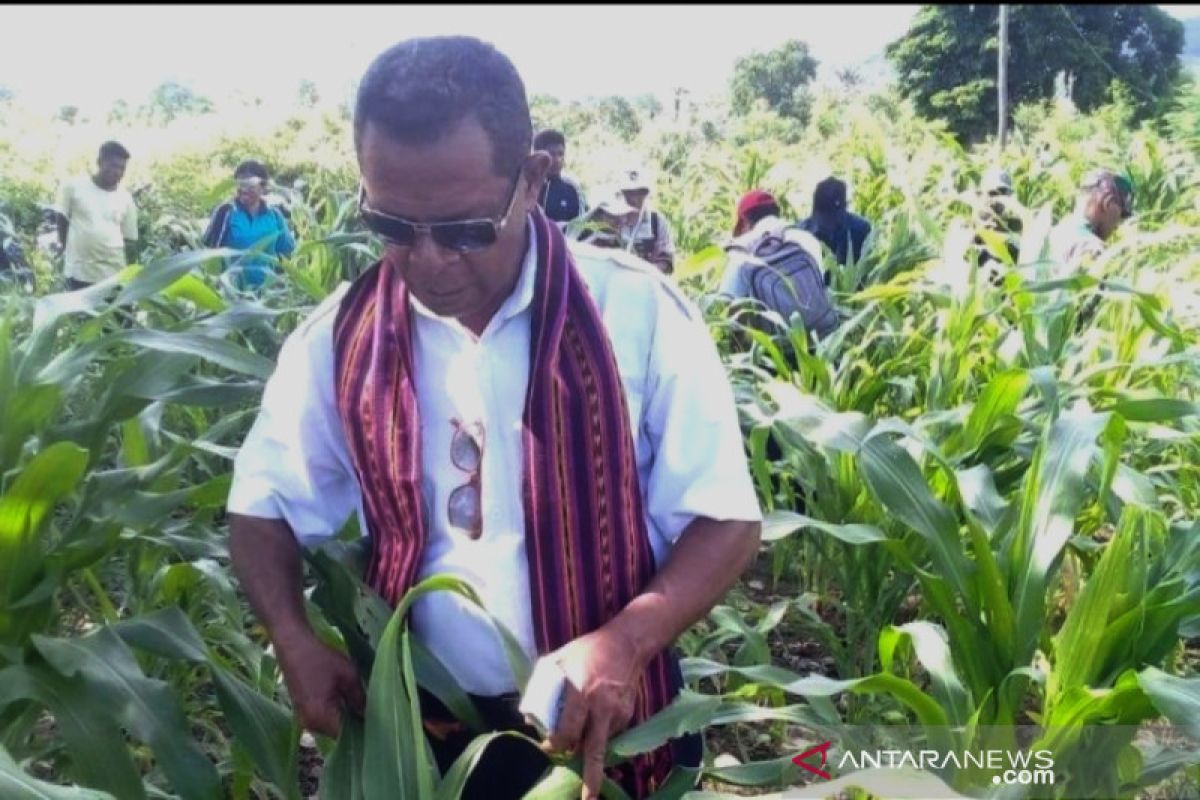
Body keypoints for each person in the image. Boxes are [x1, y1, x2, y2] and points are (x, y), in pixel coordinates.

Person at [225, 35, 761, 800]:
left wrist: (626, 639)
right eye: (393, 228)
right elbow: (261, 507)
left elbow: (726, 520)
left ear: (534, 179)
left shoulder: (634, 316)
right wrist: (292, 638)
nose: (429, 261)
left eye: (465, 230)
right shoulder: (338, 339)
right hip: (424, 732)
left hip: (608, 726)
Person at [718, 189, 836, 341]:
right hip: (821, 338)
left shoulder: (742, 251)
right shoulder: (807, 239)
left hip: (776, 351)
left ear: (745, 222)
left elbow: (729, 305)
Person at [51, 141, 139, 291]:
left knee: (117, 314)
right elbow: (62, 220)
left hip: (115, 274)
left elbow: (130, 240)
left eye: (121, 168)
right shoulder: (73, 187)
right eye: (112, 165)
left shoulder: (125, 198)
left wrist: (131, 278)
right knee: (81, 315)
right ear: (99, 162)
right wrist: (66, 250)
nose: (117, 171)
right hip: (80, 273)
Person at [202, 160, 296, 291]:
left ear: (262, 187)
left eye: (250, 185)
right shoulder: (226, 212)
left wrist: (283, 284)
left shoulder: (274, 215)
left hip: (268, 293)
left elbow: (286, 251)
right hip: (232, 292)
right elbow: (210, 255)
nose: (243, 190)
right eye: (240, 185)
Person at [1048, 169, 1133, 274]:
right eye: (1121, 215)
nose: (1118, 225)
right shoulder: (1093, 250)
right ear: (1107, 202)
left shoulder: (1048, 236)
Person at [799, 176, 872, 268]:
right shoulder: (802, 234)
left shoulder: (860, 230)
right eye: (824, 215)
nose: (826, 224)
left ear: (844, 208)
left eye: (831, 216)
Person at [616, 169, 675, 275]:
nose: (634, 199)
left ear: (646, 193)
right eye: (630, 193)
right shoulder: (613, 218)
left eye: (640, 193)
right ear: (622, 193)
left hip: (648, 283)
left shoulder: (656, 222)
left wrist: (643, 273)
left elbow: (666, 261)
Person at [973, 166, 1022, 284]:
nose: (996, 199)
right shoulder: (970, 231)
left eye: (1003, 193)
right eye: (992, 193)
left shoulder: (1016, 232)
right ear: (981, 195)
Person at [533, 129, 587, 224]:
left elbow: (580, 227)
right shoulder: (526, 185)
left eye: (561, 154)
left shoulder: (571, 189)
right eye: (552, 154)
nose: (557, 160)